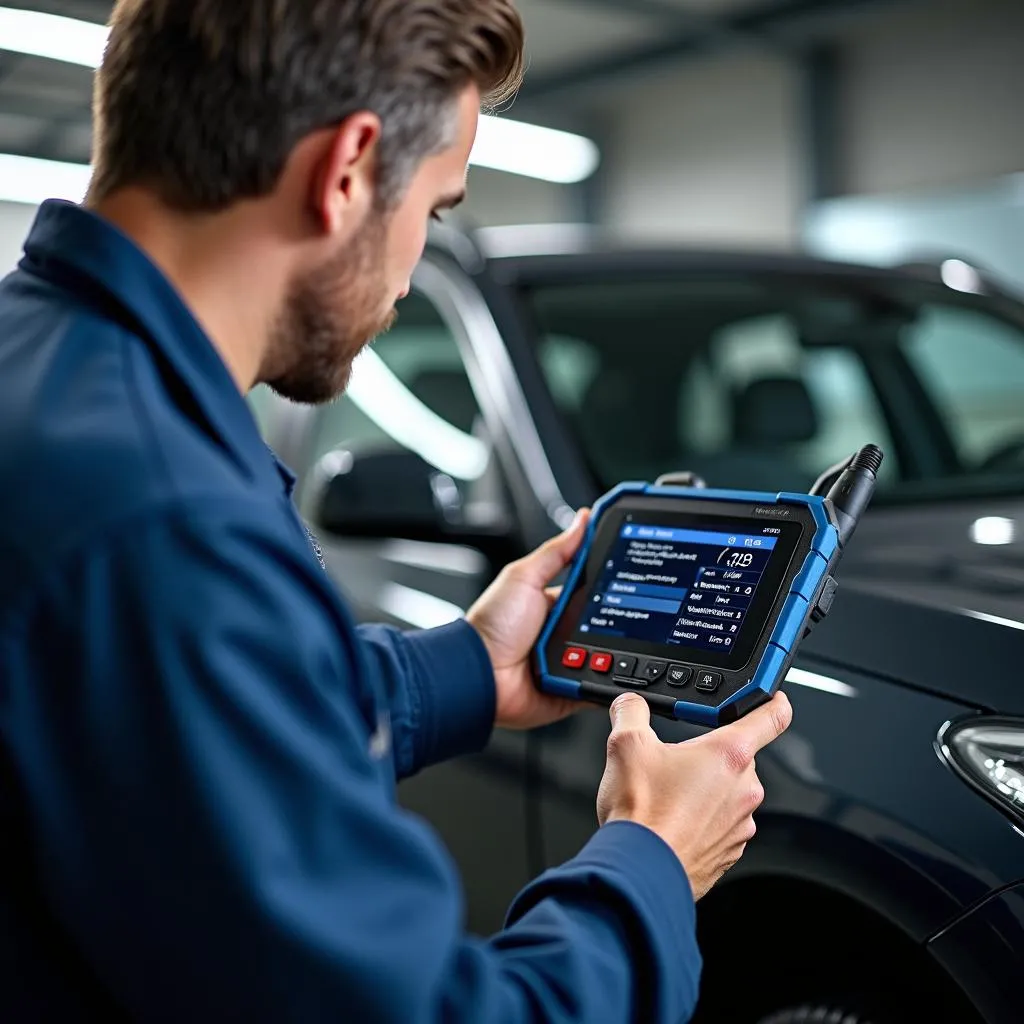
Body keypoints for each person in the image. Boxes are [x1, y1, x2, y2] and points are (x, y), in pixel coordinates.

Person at [0, 1, 793, 1021]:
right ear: (346, 172)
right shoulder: (167, 518)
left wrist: (466, 665)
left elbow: (154, 724)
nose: (413, 267)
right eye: (435, 206)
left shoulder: (41, 364)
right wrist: (650, 863)